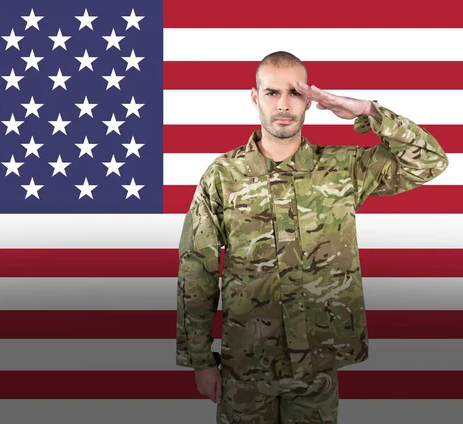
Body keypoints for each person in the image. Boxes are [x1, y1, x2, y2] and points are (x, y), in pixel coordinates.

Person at [175, 51, 449, 424]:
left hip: (317, 365)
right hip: (246, 366)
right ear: (254, 98)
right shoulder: (223, 176)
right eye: (272, 93)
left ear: (310, 100)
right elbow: (196, 269)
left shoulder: (342, 167)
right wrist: (200, 360)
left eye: (295, 93)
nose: (283, 105)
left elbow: (430, 160)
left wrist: (369, 111)